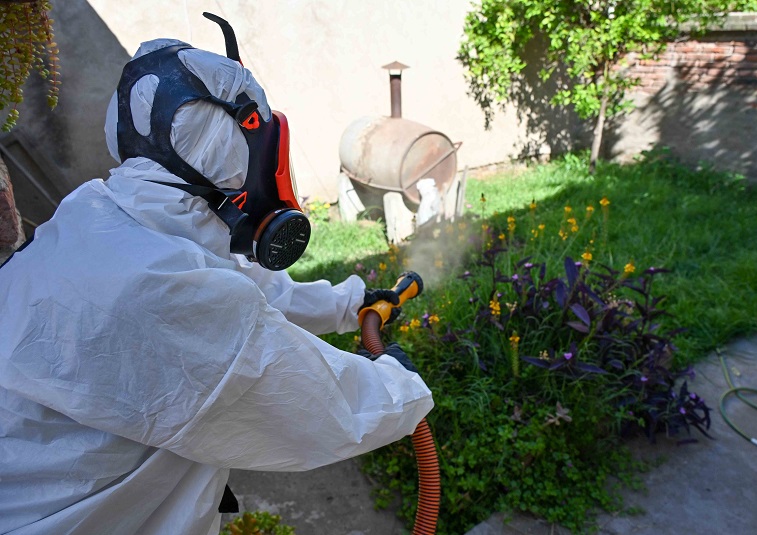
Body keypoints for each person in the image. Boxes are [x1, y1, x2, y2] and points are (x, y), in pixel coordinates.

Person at [0, 16, 433, 535]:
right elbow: (324, 412)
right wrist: (398, 382)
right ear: (234, 154)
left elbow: (234, 286)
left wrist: (347, 303)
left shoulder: (101, 217)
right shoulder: (160, 291)